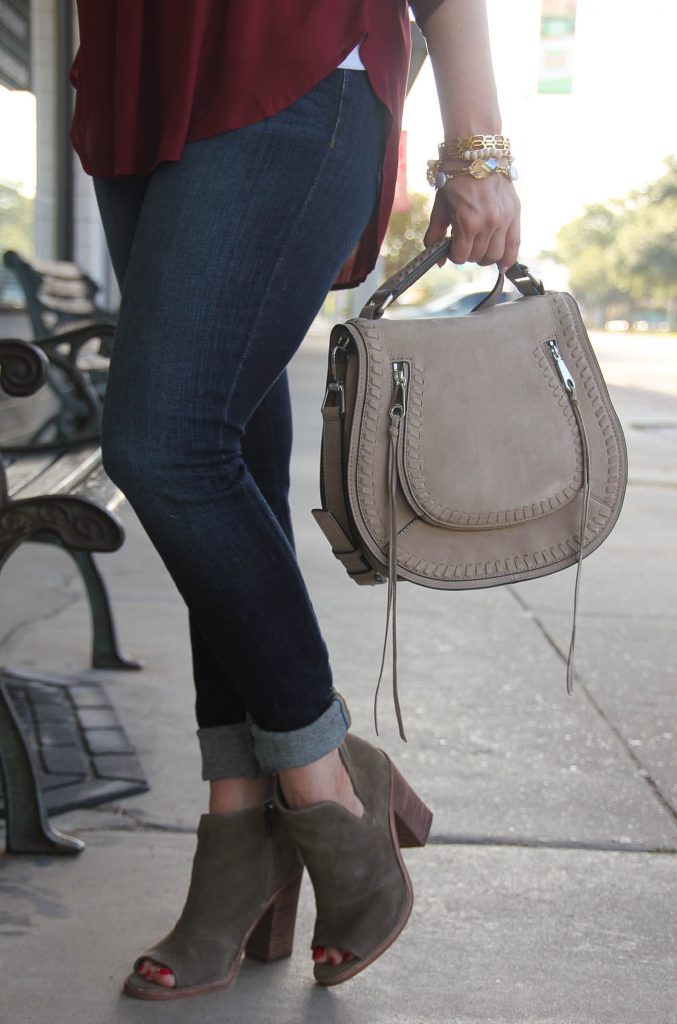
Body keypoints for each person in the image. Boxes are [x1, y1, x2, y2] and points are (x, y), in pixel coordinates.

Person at [69, 0, 520, 1001]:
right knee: (226, 452)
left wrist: (478, 148)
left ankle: (321, 782)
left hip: (293, 52)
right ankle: (241, 822)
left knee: (165, 443)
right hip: (134, 70)